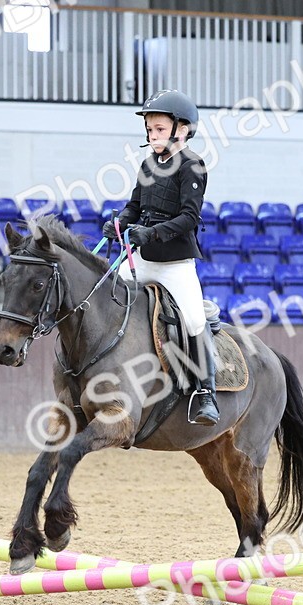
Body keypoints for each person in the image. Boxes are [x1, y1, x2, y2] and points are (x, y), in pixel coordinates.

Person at [103, 89, 219, 426]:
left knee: (195, 320)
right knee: (105, 293)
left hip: (174, 263)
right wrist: (120, 222)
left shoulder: (192, 166)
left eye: (159, 129)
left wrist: (151, 233)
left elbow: (189, 217)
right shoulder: (148, 164)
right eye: (150, 130)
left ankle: (205, 392)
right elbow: (134, 206)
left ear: (181, 129)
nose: (152, 136)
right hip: (143, 257)